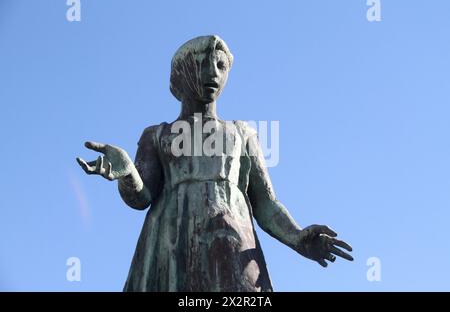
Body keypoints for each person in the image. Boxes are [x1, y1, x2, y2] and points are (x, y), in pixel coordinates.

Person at [76, 35, 353, 292]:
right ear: (179, 76)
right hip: (172, 244)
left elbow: (266, 203)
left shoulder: (241, 133)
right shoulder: (156, 135)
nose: (213, 74)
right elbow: (141, 197)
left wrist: (297, 237)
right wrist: (127, 172)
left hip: (232, 240)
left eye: (220, 66)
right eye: (201, 65)